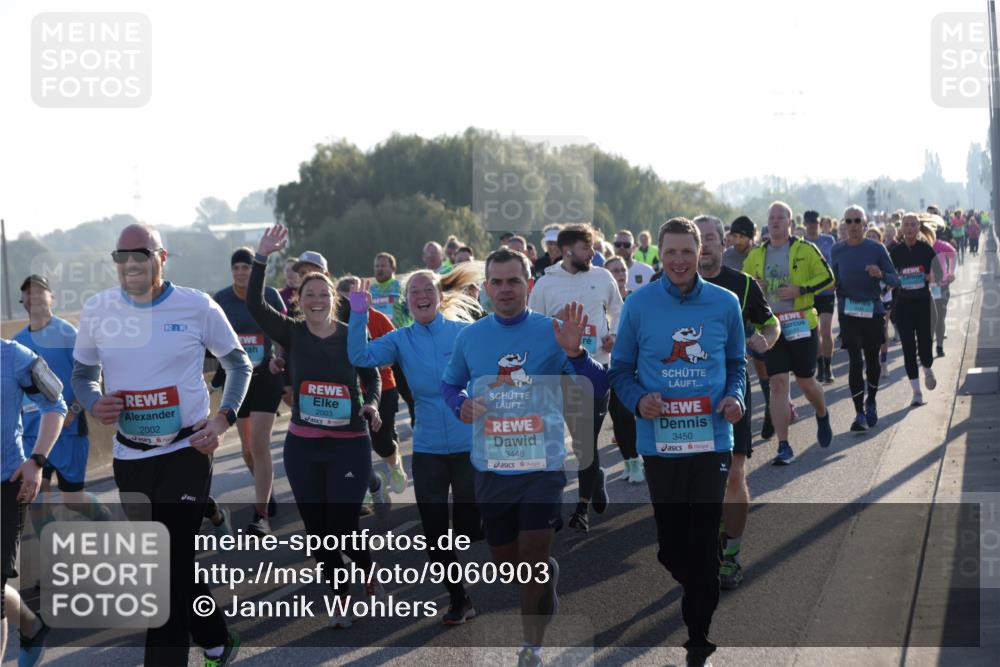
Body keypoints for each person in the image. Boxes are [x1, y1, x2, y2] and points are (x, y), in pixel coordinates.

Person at [72, 223, 250, 666]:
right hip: (130, 456)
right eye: (122, 255)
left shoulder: (197, 307)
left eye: (141, 253)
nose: (131, 262)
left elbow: (238, 363)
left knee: (163, 572)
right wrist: (94, 402)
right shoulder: (98, 310)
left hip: (187, 450)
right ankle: (216, 637)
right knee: (168, 564)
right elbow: (81, 375)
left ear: (162, 257)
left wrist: (223, 419)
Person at [441, 247, 608, 667]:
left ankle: (531, 646)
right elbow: (449, 386)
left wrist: (576, 354)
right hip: (491, 470)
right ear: (485, 290)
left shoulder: (553, 331)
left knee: (531, 562)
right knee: (509, 567)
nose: (504, 289)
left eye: (513, 280)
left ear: (528, 285)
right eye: (496, 282)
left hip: (542, 467)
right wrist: (458, 404)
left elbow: (599, 385)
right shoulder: (470, 338)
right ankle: (545, 577)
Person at [609, 217, 747, 667]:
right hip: (660, 443)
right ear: (660, 257)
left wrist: (735, 396)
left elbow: (736, 364)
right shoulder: (639, 304)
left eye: (687, 251)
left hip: (711, 440)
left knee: (704, 537)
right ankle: (699, 585)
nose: (680, 260)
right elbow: (620, 370)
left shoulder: (725, 303)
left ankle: (698, 636)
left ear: (701, 251)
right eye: (670, 252)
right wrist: (637, 399)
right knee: (672, 547)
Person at [249, 224, 386, 628]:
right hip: (304, 446)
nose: (316, 300)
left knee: (342, 526)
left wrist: (373, 405)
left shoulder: (350, 335)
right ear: (299, 301)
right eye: (309, 295)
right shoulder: (290, 333)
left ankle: (368, 571)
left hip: (348, 443)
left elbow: (372, 376)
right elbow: (256, 305)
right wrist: (262, 256)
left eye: (323, 294)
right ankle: (341, 597)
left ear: (334, 299)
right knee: (319, 533)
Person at [347, 271, 482, 624]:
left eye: (427, 289)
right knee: (435, 532)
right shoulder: (400, 339)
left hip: (469, 443)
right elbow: (360, 356)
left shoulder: (463, 333)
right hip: (428, 447)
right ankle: (459, 598)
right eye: (413, 292)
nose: (421, 295)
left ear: (439, 295)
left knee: (471, 529)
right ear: (407, 302)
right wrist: (358, 313)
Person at [692, 216, 779, 591]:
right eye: (701, 240)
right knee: (694, 480)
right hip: (687, 395)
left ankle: (731, 555)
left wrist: (766, 340)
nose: (707, 246)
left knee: (733, 474)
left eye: (712, 238)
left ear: (722, 242)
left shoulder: (741, 284)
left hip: (733, 389)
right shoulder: (674, 287)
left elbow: (771, 324)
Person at [528, 224, 622, 531]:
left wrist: (614, 335)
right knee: (561, 440)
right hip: (561, 372)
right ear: (568, 250)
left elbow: (619, 311)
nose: (593, 253)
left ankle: (581, 508)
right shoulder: (546, 283)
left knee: (584, 441)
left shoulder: (602, 276)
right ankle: (591, 478)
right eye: (586, 248)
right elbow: (535, 324)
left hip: (597, 369)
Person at [14, 275, 110, 535]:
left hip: (68, 431)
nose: (33, 296)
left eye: (39, 291)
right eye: (27, 292)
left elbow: (91, 375)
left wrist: (75, 409)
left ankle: (107, 523)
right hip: (33, 434)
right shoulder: (17, 342)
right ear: (22, 299)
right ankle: (55, 559)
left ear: (52, 297)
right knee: (35, 499)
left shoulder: (68, 333)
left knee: (72, 499)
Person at [742, 201, 835, 465]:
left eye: (780, 218)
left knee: (806, 382)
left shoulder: (805, 248)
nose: (774, 222)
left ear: (790, 223)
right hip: (771, 327)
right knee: (778, 383)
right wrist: (753, 286)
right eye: (771, 217)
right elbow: (742, 287)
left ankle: (821, 412)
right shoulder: (756, 255)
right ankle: (784, 445)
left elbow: (828, 277)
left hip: (801, 323)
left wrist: (801, 289)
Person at [212, 248, 287, 535]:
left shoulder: (269, 295)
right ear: (232, 272)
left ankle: (261, 515)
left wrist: (281, 361)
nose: (242, 273)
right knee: (246, 449)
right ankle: (266, 493)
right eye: (237, 269)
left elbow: (283, 331)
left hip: (267, 376)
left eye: (246, 268)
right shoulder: (221, 300)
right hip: (237, 380)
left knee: (259, 443)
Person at [2, 338, 66, 667]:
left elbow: (56, 404)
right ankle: (31, 623)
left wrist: (38, 460)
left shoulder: (13, 355)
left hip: (6, 484)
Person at [335, 276, 407, 504]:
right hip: (350, 393)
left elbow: (397, 349)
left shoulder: (377, 319)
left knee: (381, 442)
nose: (349, 307)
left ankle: (394, 464)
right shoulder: (333, 325)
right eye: (344, 302)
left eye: (353, 301)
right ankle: (363, 487)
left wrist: (380, 361)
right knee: (353, 444)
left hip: (383, 387)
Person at [830, 207, 900, 432]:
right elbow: (833, 278)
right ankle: (859, 412)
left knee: (871, 359)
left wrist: (880, 274)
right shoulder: (837, 250)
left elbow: (895, 279)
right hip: (848, 313)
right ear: (844, 224)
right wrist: (834, 286)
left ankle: (871, 400)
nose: (852, 224)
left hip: (873, 311)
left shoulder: (876, 248)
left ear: (864, 223)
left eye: (856, 220)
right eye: (848, 220)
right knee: (854, 361)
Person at [889, 214, 939, 406]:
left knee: (925, 343)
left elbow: (937, 272)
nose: (909, 228)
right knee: (908, 347)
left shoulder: (926, 250)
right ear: (901, 228)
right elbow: (889, 274)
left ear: (918, 227)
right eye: (906, 225)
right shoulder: (895, 252)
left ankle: (927, 367)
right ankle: (917, 392)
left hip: (923, 302)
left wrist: (930, 276)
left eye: (913, 225)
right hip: (903, 304)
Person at [371, 252, 418, 435]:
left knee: (408, 391)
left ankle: (417, 420)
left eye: (383, 265)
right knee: (385, 393)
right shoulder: (371, 291)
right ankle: (389, 430)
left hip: (401, 347)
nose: (379, 269)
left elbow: (413, 312)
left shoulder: (400, 288)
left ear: (393, 268)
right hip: (381, 349)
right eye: (376, 266)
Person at [602, 257, 640, 481]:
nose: (620, 274)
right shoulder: (600, 302)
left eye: (622, 270)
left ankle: (638, 459)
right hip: (609, 364)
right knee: (617, 414)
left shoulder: (636, 299)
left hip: (635, 364)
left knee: (629, 414)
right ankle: (629, 461)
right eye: (614, 271)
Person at [803, 210, 838, 384]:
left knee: (825, 330)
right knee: (815, 332)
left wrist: (834, 282)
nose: (812, 225)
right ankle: (820, 366)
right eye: (809, 223)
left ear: (819, 223)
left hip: (826, 291)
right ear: (804, 224)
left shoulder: (828, 240)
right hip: (809, 293)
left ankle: (828, 365)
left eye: (815, 222)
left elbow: (833, 263)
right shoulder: (801, 244)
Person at [928, 215, 958, 358]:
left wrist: (951, 273)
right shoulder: (919, 244)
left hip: (941, 285)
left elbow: (954, 255)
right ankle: (925, 345)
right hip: (926, 287)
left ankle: (939, 346)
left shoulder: (940, 245)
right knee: (929, 318)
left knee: (940, 317)